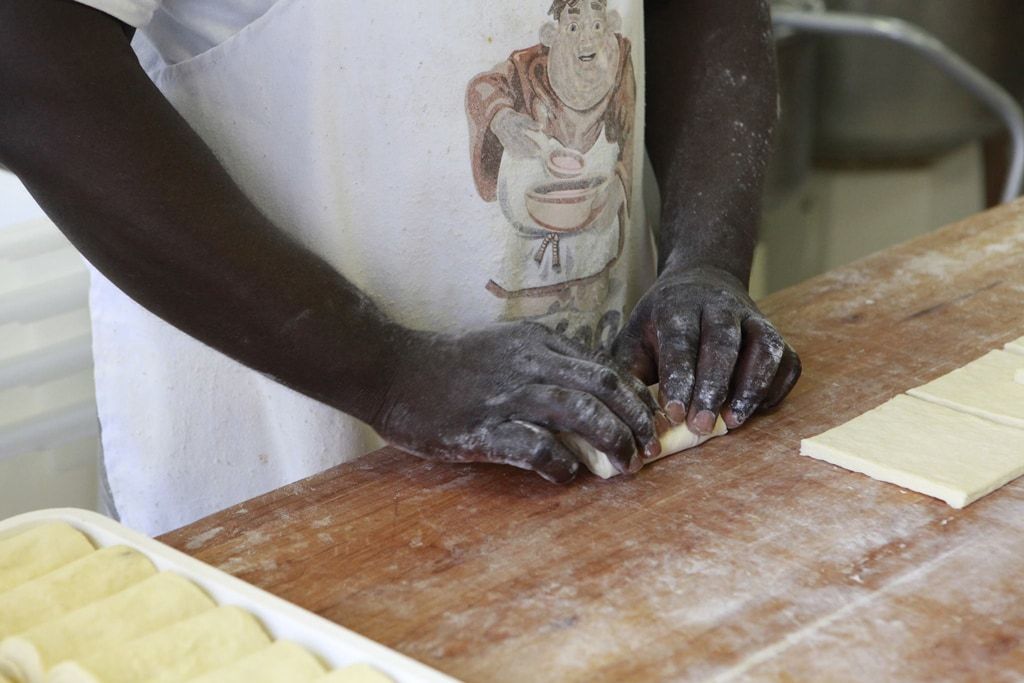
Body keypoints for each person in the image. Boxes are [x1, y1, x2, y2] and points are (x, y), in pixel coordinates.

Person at [0, 0, 801, 535]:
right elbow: (28, 60)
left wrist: (706, 261)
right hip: (286, 473)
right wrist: (386, 369)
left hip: (601, 459)